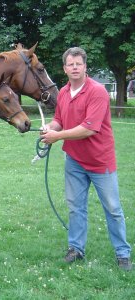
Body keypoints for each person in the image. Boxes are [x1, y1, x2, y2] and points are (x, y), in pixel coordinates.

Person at [40, 47, 132, 271]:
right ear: (64, 68)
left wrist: (57, 136)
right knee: (75, 207)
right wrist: (48, 128)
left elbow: (89, 129)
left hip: (101, 161)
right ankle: (76, 249)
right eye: (70, 64)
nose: (74, 67)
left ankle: (123, 254)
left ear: (85, 67)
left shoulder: (97, 91)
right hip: (74, 161)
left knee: (112, 208)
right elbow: (59, 120)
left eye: (78, 64)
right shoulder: (62, 92)